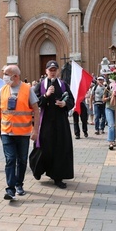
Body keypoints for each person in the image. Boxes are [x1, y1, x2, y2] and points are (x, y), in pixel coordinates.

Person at [0, 65, 40, 200]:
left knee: (22, 160)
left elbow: (36, 110)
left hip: (23, 132)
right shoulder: (2, 90)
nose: (4, 76)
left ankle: (19, 183)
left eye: (7, 74)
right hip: (7, 132)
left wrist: (35, 130)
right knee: (10, 159)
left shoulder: (27, 89)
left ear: (16, 76)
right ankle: (10, 189)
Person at [33, 60, 75, 189]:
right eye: (50, 70)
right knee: (44, 148)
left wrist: (65, 104)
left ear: (57, 71)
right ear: (46, 71)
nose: (52, 72)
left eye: (54, 70)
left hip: (61, 122)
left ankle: (58, 177)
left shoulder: (63, 85)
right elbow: (35, 103)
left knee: (60, 149)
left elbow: (72, 101)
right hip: (45, 122)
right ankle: (38, 169)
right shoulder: (40, 86)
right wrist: (46, 95)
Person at [102, 84, 115, 150]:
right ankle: (111, 142)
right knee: (111, 125)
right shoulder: (108, 88)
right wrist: (110, 97)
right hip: (109, 108)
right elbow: (103, 99)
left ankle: (114, 139)